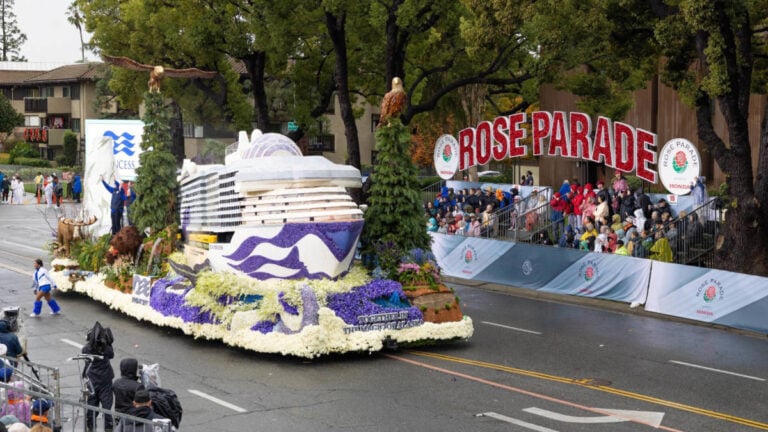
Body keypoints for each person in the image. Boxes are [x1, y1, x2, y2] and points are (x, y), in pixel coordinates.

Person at [82, 322, 115, 432]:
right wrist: (107, 343)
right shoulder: (107, 349)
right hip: (105, 381)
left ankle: (91, 426)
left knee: (92, 405)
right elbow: (111, 354)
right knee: (106, 406)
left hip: (92, 380)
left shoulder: (86, 349)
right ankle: (108, 427)